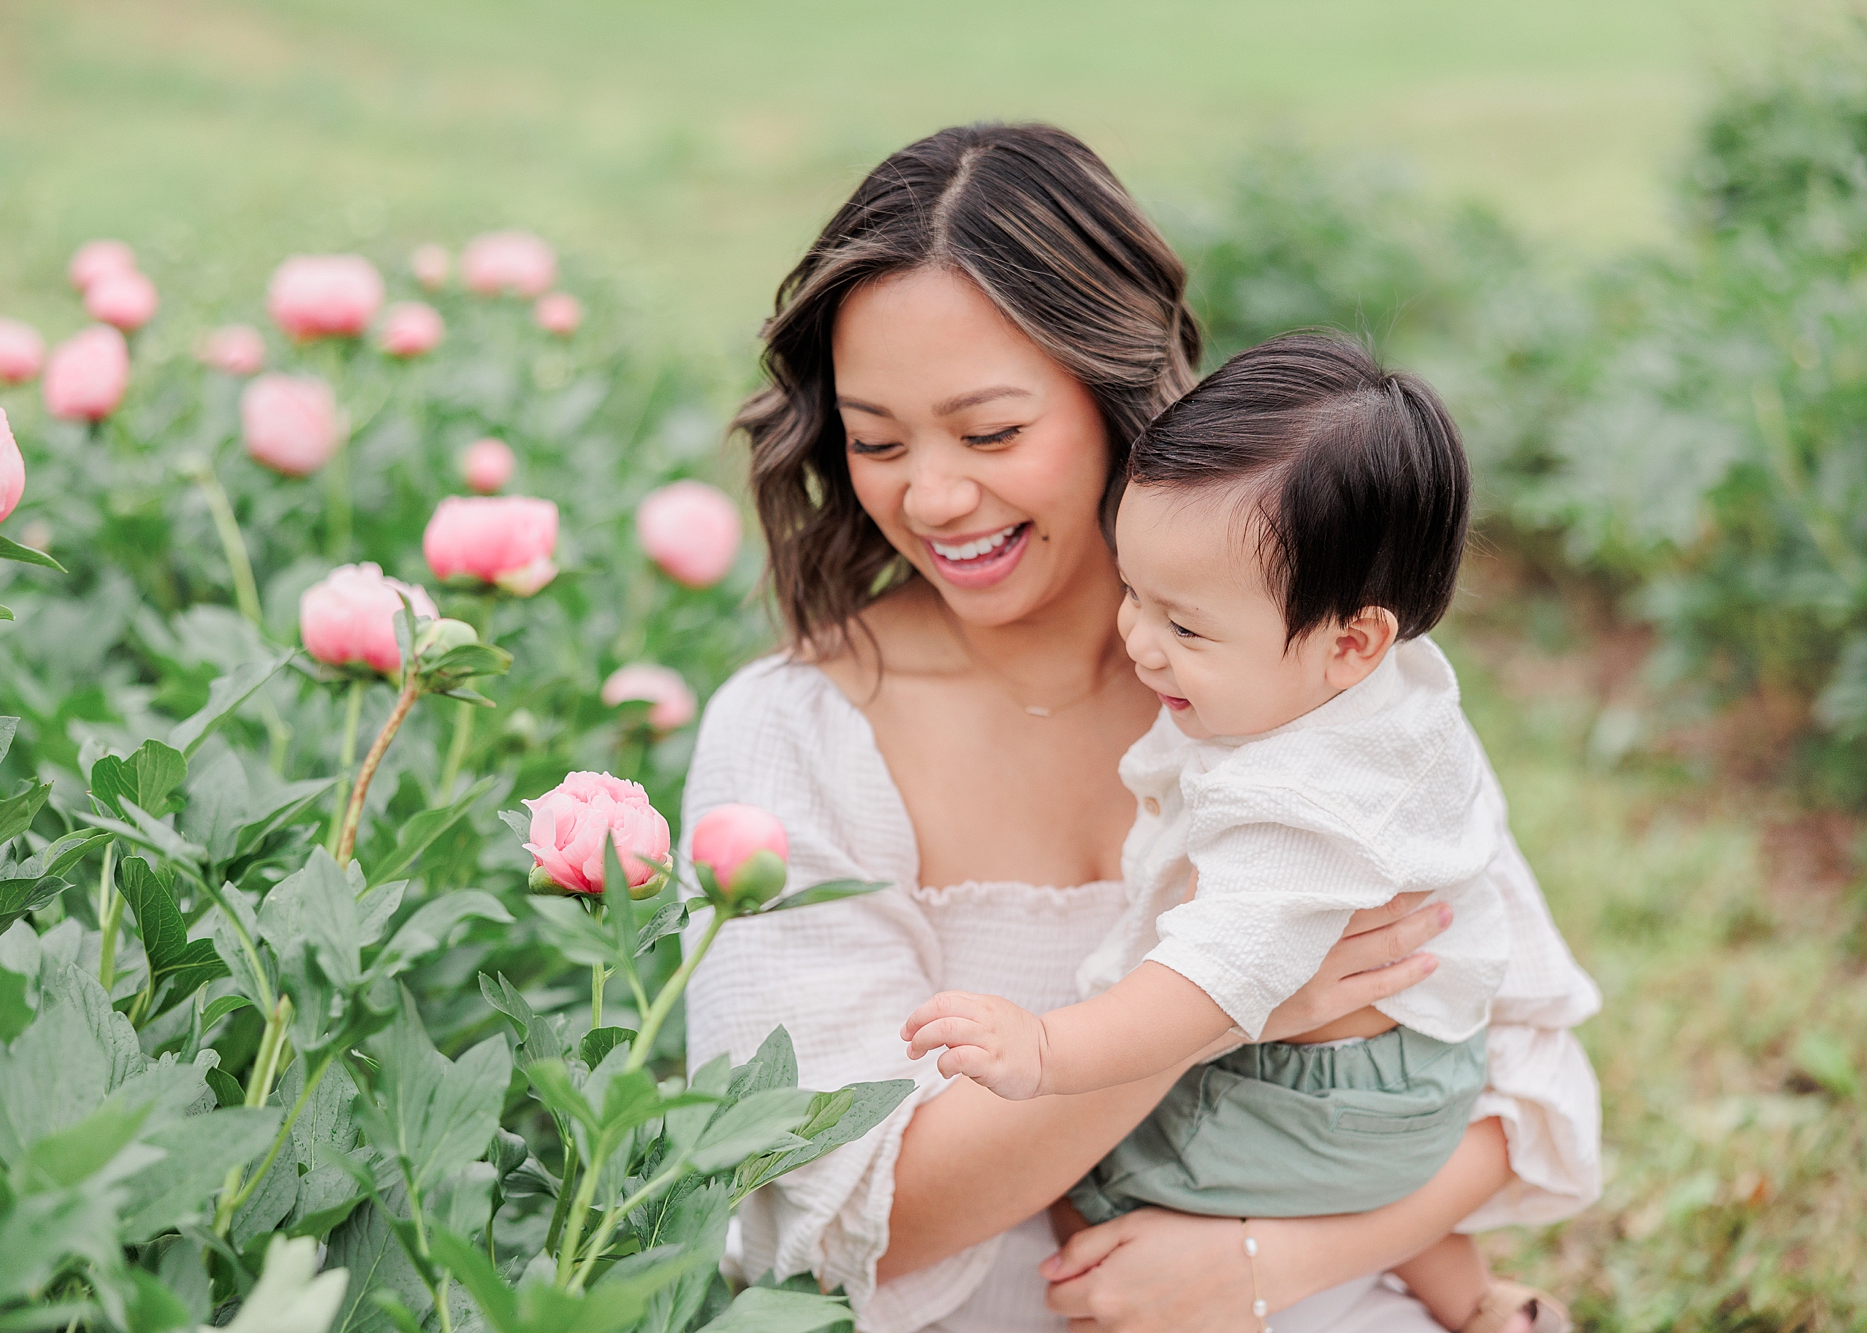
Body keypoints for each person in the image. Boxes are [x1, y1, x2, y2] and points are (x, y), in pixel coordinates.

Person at [682, 122, 1601, 1333]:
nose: (935, 495)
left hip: (1313, 1286)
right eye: (876, 439)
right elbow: (821, 1207)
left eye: (992, 432)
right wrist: (1228, 1001)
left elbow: (1528, 1076)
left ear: (1115, 395)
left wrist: (1260, 1264)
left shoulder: (1315, 686)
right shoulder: (792, 734)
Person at [901, 333, 1582, 1333]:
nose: (1137, 641)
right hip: (1423, 1074)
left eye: (1185, 627)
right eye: (1133, 592)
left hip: (1327, 1094)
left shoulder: (1298, 805)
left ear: (1351, 640)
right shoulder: (1391, 698)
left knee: (1082, 1186)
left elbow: (1202, 991)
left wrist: (1044, 1046)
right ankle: (1479, 1303)